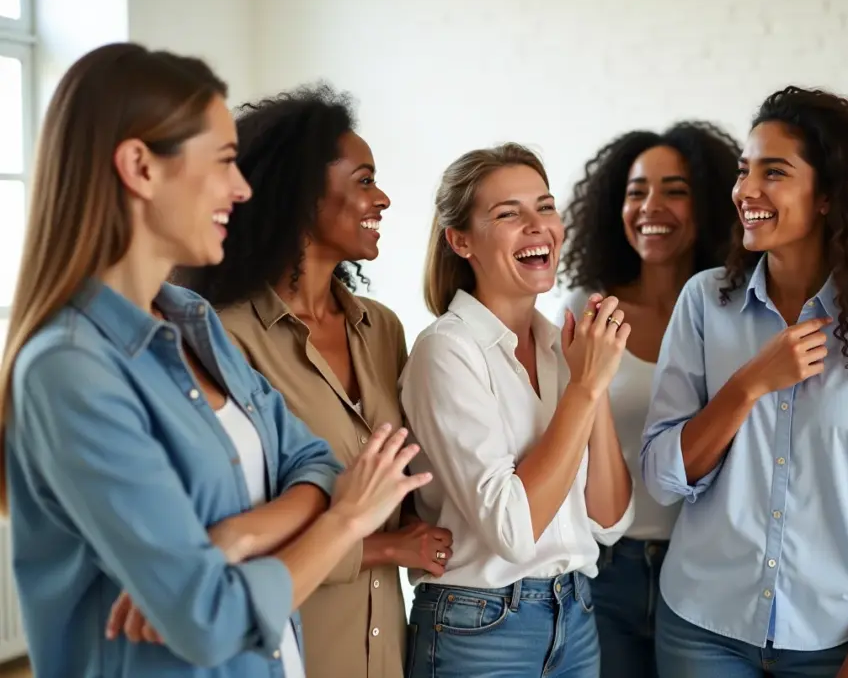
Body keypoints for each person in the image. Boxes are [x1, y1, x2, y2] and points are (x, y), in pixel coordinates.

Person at [0, 43, 430, 678]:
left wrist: (241, 535)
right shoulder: (70, 371)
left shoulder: (193, 324)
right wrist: (345, 519)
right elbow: (208, 617)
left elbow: (313, 462)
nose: (243, 187)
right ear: (140, 168)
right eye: (224, 161)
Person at [642, 86, 848, 678]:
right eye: (744, 171)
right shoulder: (706, 301)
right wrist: (749, 385)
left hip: (835, 640)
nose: (746, 190)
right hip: (703, 627)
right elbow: (662, 475)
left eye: (773, 172)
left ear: (829, 194)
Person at [175, 83, 452, 678]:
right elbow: (230, 531)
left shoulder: (382, 329)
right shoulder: (224, 338)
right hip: (292, 645)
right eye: (364, 180)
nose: (382, 198)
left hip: (386, 647)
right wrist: (383, 548)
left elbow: (396, 494)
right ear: (301, 195)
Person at [399, 143, 636, 677]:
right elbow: (512, 530)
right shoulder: (446, 352)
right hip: (480, 628)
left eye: (545, 206)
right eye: (508, 214)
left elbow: (609, 520)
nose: (537, 226)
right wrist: (584, 388)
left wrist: (591, 381)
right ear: (461, 240)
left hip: (576, 617)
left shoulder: (561, 348)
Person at [559, 121, 740, 678]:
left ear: (709, 205)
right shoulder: (590, 310)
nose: (650, 206)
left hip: (707, 568)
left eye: (675, 190)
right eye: (636, 191)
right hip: (604, 568)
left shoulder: (735, 314)